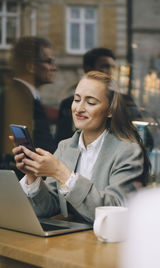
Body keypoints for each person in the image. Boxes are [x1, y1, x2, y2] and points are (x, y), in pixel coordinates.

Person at [10, 71, 150, 224]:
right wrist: (32, 176)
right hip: (73, 243)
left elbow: (114, 212)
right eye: (76, 100)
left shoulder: (127, 151)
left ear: (109, 110)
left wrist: (61, 173)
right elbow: (48, 207)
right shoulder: (65, 147)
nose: (79, 108)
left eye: (90, 103)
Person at [1, 36, 58, 178]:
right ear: (31, 66)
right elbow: (28, 155)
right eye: (49, 62)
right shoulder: (19, 99)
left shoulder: (22, 96)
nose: (54, 68)